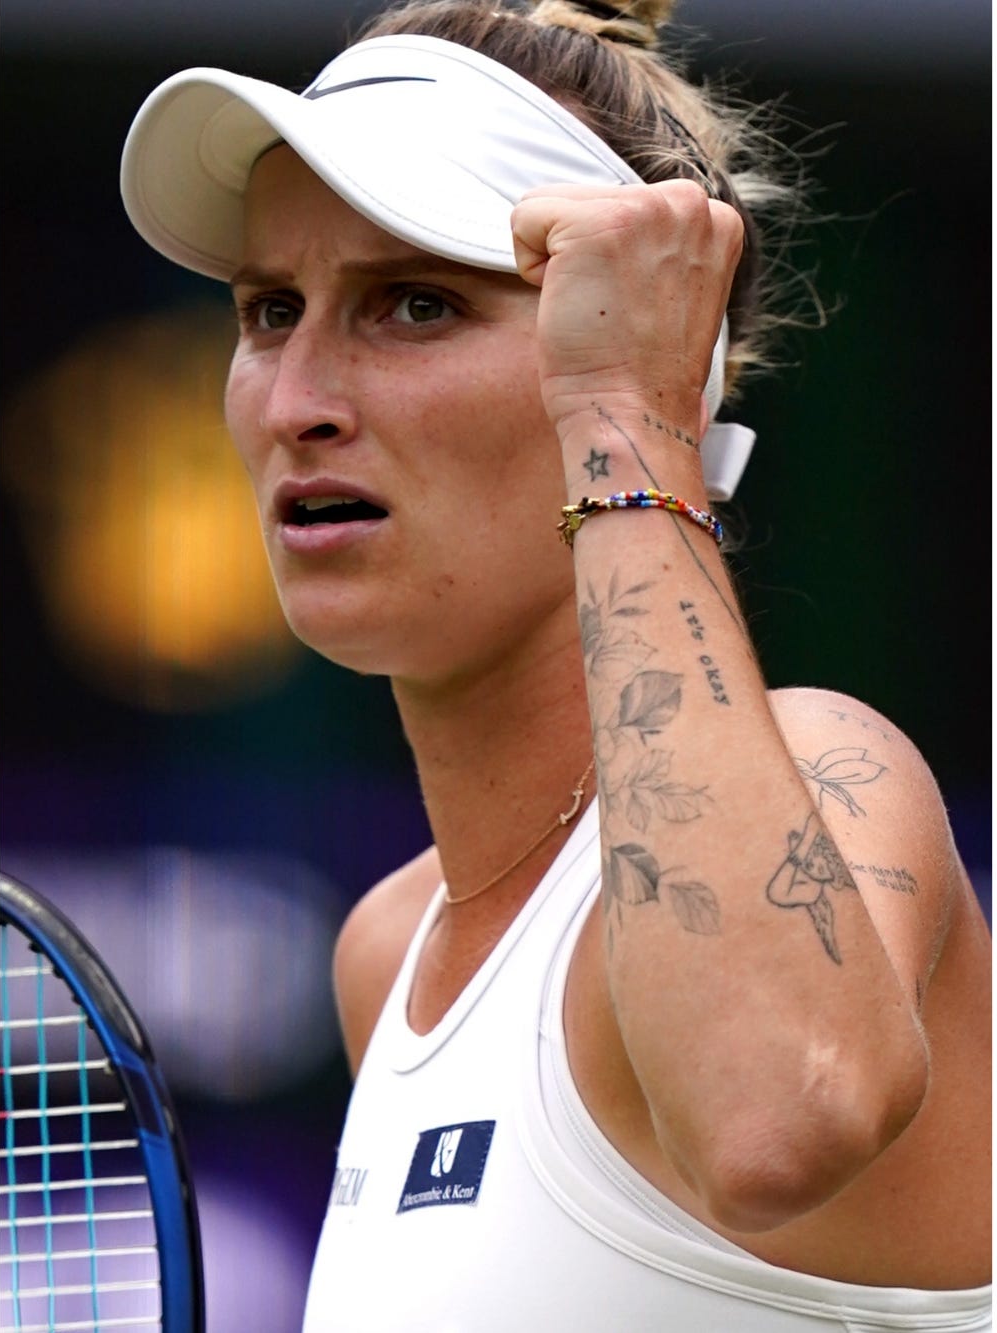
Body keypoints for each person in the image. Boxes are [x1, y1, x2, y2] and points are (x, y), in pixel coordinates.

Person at [119, 0, 989, 1328]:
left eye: (414, 304)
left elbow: (772, 1118)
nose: (298, 398)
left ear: (638, 358)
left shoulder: (837, 766)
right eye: (268, 309)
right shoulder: (387, 949)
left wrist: (633, 422)